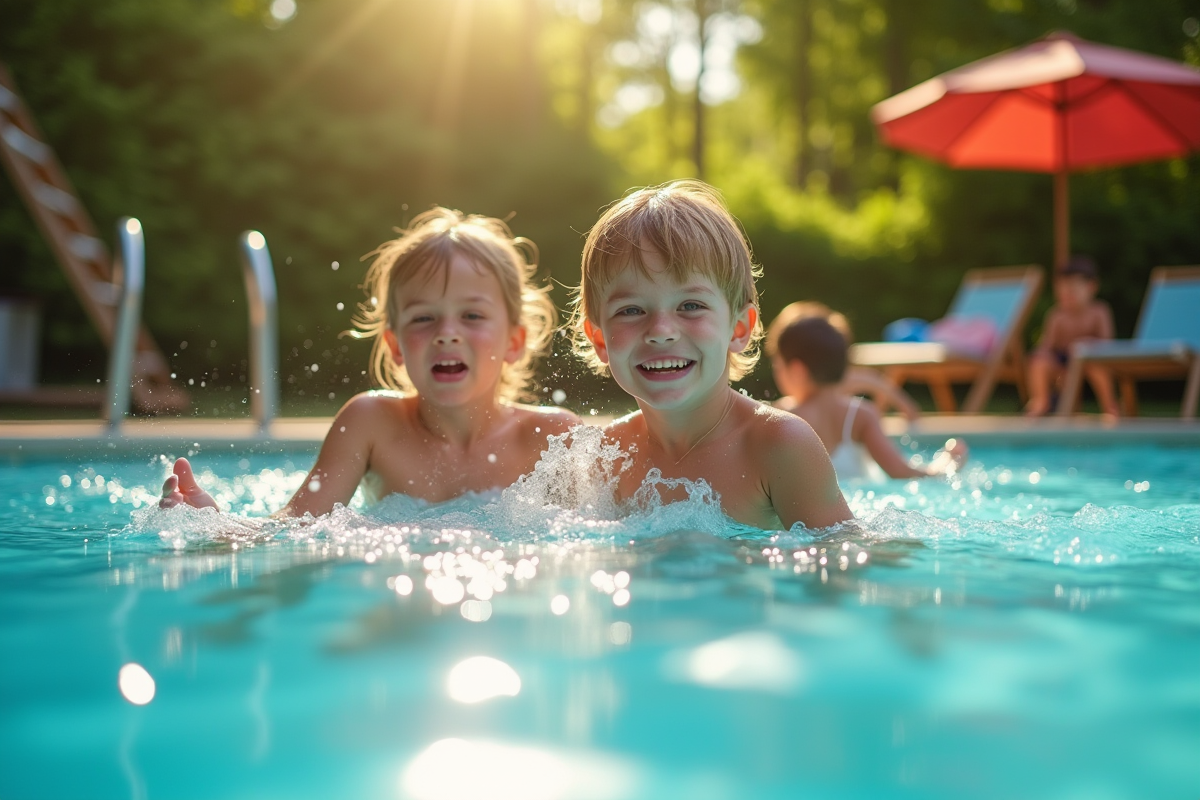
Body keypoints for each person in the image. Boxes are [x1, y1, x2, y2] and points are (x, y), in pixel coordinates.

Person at [162, 207, 579, 515]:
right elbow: (295, 528)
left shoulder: (550, 439)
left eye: (472, 315)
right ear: (396, 345)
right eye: (424, 318)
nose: (446, 332)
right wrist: (213, 526)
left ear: (514, 340)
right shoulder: (371, 423)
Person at [570, 180, 853, 531]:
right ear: (599, 339)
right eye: (630, 310)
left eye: (691, 305)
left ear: (739, 328)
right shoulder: (606, 459)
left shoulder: (778, 446)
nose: (661, 330)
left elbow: (844, 567)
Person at [769, 314, 968, 481]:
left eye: (777, 364)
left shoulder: (779, 417)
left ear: (796, 370)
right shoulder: (860, 415)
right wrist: (947, 462)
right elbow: (902, 472)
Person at [766, 300, 922, 420]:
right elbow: (875, 381)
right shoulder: (856, 409)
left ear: (796, 370)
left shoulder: (784, 415)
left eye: (777, 364)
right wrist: (906, 410)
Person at [1024, 255, 1119, 416]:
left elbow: (1107, 343)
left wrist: (1088, 346)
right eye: (1062, 291)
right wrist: (1041, 355)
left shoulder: (1099, 311)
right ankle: (1040, 402)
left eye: (1073, 291)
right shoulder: (1057, 315)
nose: (1067, 294)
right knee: (1039, 362)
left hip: (1091, 359)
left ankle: (1110, 408)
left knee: (1098, 368)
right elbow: (1048, 346)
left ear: (1091, 287)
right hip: (1063, 364)